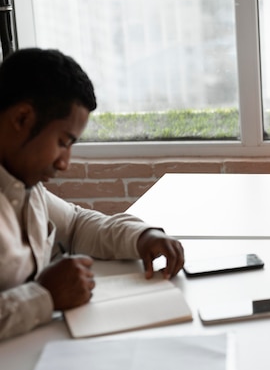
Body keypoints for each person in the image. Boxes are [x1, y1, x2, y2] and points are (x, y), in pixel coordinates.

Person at [0, 48, 185, 341]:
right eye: (62, 142)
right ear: (22, 118)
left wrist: (141, 236)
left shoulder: (25, 184)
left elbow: (75, 225)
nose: (64, 163)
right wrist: (44, 295)